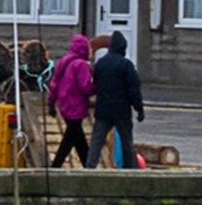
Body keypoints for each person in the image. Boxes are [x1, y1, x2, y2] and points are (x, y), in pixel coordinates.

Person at [89, 31, 144, 169]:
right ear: (122, 48)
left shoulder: (100, 64)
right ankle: (130, 171)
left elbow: (95, 84)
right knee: (127, 143)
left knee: (96, 142)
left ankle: (89, 169)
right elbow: (134, 90)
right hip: (122, 111)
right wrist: (139, 109)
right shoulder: (126, 65)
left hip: (103, 110)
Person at [47, 33, 95, 168]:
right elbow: (86, 87)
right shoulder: (81, 65)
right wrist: (97, 86)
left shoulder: (64, 61)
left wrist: (51, 103)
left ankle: (87, 165)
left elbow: (54, 84)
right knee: (71, 137)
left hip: (64, 104)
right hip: (76, 104)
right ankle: (56, 166)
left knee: (77, 136)